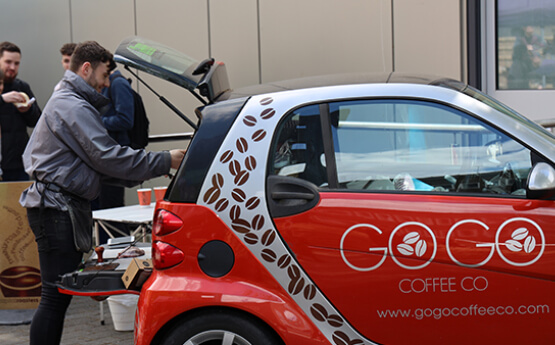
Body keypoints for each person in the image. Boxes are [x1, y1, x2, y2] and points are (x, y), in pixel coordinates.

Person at [19, 41, 185, 345]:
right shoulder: (72, 105)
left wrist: (157, 165)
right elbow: (107, 157)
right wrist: (164, 159)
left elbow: (101, 166)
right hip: (55, 209)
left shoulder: (69, 101)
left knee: (56, 298)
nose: (107, 82)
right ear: (86, 68)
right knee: (54, 298)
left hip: (56, 206)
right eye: (105, 74)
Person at [97, 68, 136, 242]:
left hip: (113, 155)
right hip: (106, 156)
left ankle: (119, 252)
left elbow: (126, 119)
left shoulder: (117, 83)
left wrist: (96, 122)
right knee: (107, 208)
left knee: (112, 208)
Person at [0, 41, 41, 181]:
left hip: (19, 163)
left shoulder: (22, 87)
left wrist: (27, 110)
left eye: (16, 63)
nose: (12, 67)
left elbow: (37, 121)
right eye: (8, 62)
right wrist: (2, 99)